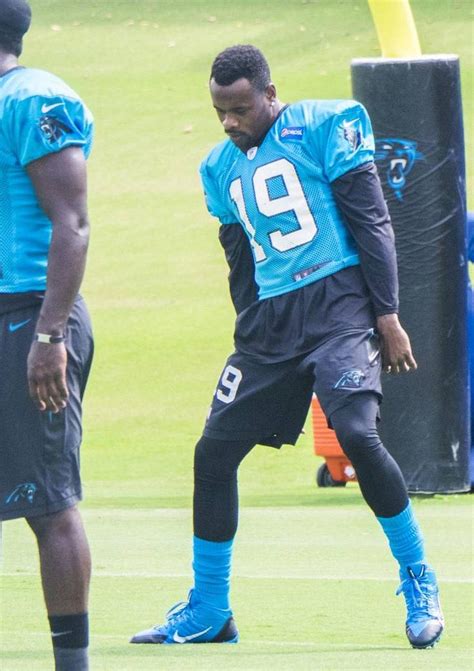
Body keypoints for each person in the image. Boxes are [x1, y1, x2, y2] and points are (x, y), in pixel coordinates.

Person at [131, 44, 443, 650]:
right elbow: (239, 258)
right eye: (220, 110)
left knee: (357, 433)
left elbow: (372, 219)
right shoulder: (217, 169)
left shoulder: (326, 126)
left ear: (270, 95)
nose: (229, 121)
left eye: (241, 108)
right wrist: (248, 329)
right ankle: (210, 609)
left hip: (339, 306)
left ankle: (418, 578)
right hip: (271, 325)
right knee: (212, 455)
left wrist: (387, 314)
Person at [0, 2, 94, 669]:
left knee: (49, 503)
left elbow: (73, 223)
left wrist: (49, 335)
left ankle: (73, 664)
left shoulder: (35, 99)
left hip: (30, 320)